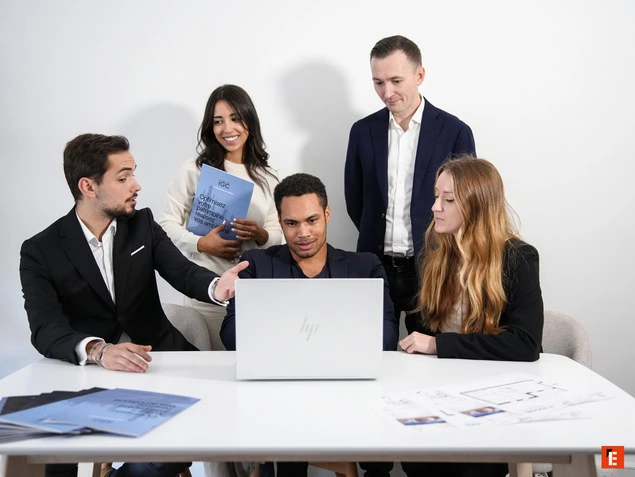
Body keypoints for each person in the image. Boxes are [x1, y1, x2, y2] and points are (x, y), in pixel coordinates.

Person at [19, 133, 247, 477]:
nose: (136, 185)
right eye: (123, 178)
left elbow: (183, 272)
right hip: (89, 376)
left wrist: (219, 287)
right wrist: (99, 350)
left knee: (172, 449)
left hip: (160, 362)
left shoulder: (142, 224)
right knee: (51, 456)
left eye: (133, 174)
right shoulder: (40, 250)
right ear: (88, 186)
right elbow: (45, 329)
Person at [219, 173, 399, 477]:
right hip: (279, 395)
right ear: (280, 221)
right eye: (292, 223)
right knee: (281, 447)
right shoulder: (257, 265)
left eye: (312, 220)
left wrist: (285, 337)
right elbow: (230, 334)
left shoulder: (364, 266)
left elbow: (387, 336)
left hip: (350, 392)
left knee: (376, 447)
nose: (303, 233)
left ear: (327, 214)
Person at [398, 157, 544, 477]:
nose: (435, 207)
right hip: (443, 391)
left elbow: (525, 344)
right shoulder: (434, 256)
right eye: (436, 196)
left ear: (477, 206)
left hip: (497, 394)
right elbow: (423, 326)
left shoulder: (518, 258)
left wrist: (438, 345)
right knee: (416, 460)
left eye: (448, 200)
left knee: (472, 466)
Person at [344, 35, 476, 336]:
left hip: (435, 266)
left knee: (430, 352)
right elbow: (355, 200)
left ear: (419, 75)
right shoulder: (362, 132)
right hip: (375, 265)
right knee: (370, 348)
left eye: (395, 81)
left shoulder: (454, 132)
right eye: (378, 83)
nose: (387, 92)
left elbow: (467, 205)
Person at [160, 84, 282, 351]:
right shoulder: (194, 170)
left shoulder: (268, 177)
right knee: (208, 365)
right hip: (206, 293)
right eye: (218, 121)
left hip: (252, 292)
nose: (227, 129)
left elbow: (278, 232)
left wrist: (261, 235)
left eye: (235, 118)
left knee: (250, 362)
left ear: (249, 120)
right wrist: (202, 243)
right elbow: (166, 225)